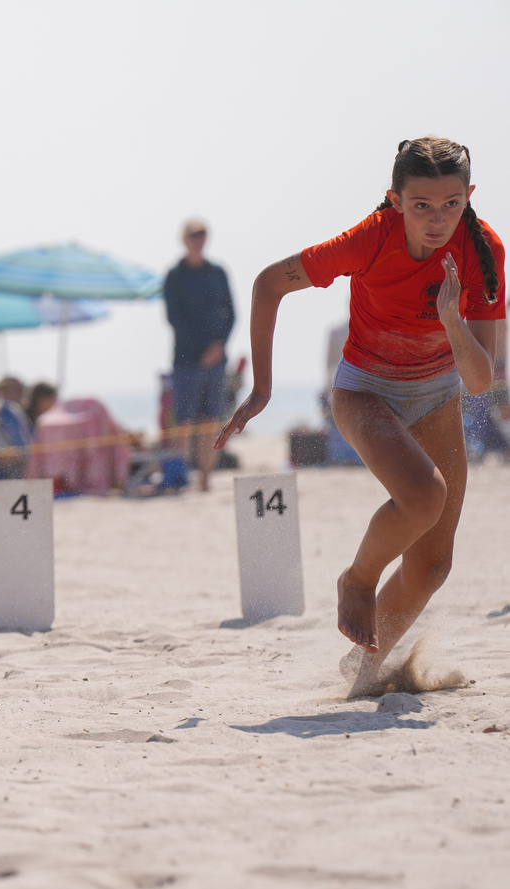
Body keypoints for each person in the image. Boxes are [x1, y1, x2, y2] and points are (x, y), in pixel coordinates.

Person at [218, 137, 505, 685]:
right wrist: (262, 387)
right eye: (421, 205)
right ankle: (357, 578)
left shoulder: (483, 251)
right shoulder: (369, 240)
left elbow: (478, 380)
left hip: (437, 392)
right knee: (424, 496)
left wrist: (451, 321)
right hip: (365, 391)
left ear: (469, 196)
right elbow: (268, 285)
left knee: (433, 565)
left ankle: (365, 668)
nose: (437, 219)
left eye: (451, 204)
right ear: (395, 200)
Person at [164, 218, 236, 491]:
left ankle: (205, 480)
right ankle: (181, 478)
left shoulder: (218, 272)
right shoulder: (174, 275)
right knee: (184, 422)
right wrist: (200, 351)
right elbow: (174, 318)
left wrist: (219, 346)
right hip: (185, 360)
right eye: (193, 235)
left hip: (216, 360)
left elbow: (231, 314)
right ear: (184, 239)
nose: (198, 240)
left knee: (211, 421)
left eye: (202, 235)